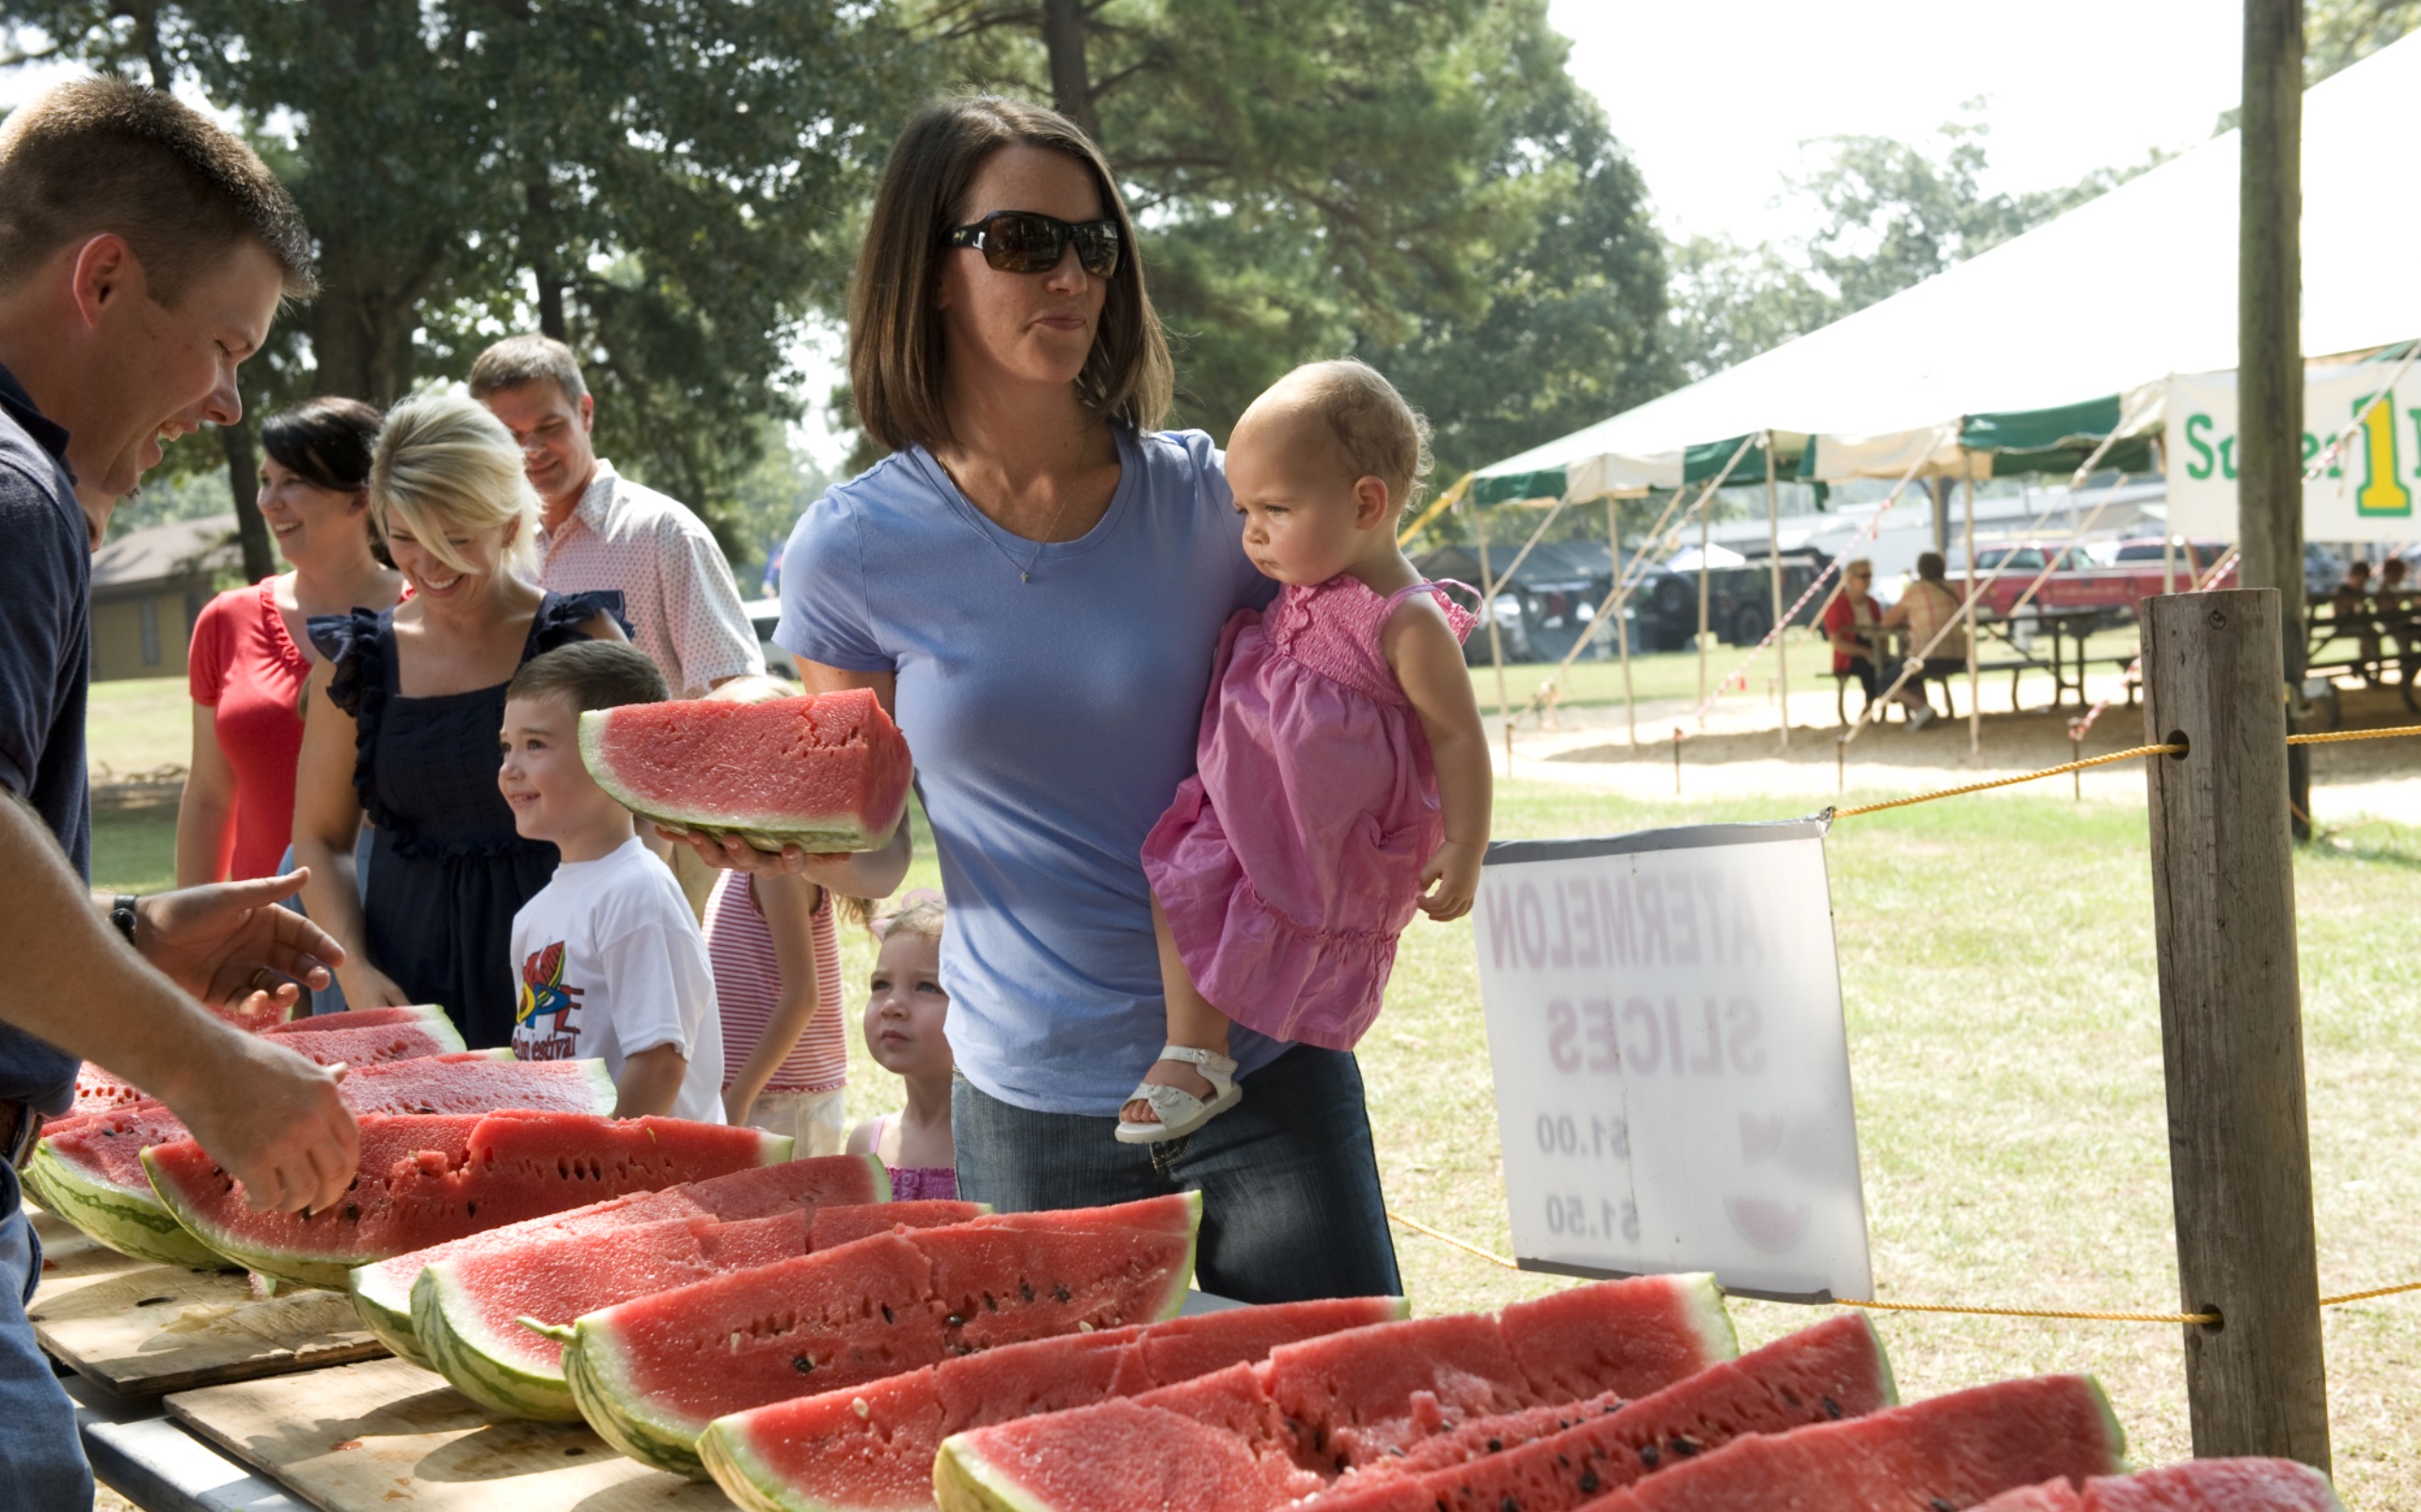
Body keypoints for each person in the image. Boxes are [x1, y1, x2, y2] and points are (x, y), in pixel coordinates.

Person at [700, 95, 1400, 1304]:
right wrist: (780, 835)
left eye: (1094, 244)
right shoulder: (849, 552)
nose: (1070, 275)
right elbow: (873, 858)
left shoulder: (1211, 502)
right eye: (1024, 243)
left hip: (1263, 1069)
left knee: (1359, 1450)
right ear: (928, 270)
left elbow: (1374, 642)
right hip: (1033, 1105)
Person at [0, 77, 358, 1507]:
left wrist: (130, 932)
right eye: (222, 344)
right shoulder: (17, 493)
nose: (226, 401)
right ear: (102, 279)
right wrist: (213, 1074)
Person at [1121, 361, 1485, 1142]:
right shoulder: (1311, 574)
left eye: (1275, 508)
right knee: (1181, 878)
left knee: (1254, 916)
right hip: (1257, 800)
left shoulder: (1407, 620)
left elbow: (1458, 733)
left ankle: (1206, 1051)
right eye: (1244, 508)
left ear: (1365, 503)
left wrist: (1465, 843)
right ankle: (1197, 1049)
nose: (1251, 531)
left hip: (1317, 825)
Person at [291, 391, 626, 1049]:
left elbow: (647, 829)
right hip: (401, 978)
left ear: (505, 520)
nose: (428, 565)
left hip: (569, 976)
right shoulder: (356, 660)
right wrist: (353, 971)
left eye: (454, 538)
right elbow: (321, 839)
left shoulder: (583, 639)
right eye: (405, 537)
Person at [178, 398, 404, 888]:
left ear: (360, 497)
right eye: (265, 481)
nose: (267, 501)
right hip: (263, 941)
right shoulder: (223, 621)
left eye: (292, 481)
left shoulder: (430, 611)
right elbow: (209, 797)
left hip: (405, 937)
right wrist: (193, 930)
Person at [499, 641, 725, 1121]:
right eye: (507, 745)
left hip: (652, 1182)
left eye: (535, 744)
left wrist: (597, 1168)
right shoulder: (531, 916)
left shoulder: (636, 892)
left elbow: (660, 1064)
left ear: (617, 761)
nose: (509, 768)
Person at [469, 334, 763, 700]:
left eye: (549, 427)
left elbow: (742, 693)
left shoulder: (666, 534)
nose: (531, 450)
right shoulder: (486, 549)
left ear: (586, 412)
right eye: (510, 435)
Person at [699, 678, 851, 1148]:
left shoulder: (777, 868)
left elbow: (803, 995)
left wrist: (740, 1095)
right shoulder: (744, 860)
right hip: (762, 1091)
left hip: (783, 1099)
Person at [845, 892, 955, 1200]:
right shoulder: (866, 1143)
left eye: (926, 987)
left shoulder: (1003, 1151)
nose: (892, 1005)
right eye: (881, 985)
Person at [1879, 550, 1966, 731]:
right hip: (1959, 655)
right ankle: (1922, 712)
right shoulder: (1952, 588)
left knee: (1885, 680)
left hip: (1929, 655)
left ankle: (1921, 708)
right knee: (1908, 669)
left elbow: (1888, 622)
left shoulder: (1916, 591)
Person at [1822, 558, 1896, 715]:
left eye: (1869, 576)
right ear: (1849, 579)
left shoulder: (1872, 603)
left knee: (1896, 663)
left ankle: (1905, 700)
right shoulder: (1836, 605)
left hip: (1873, 648)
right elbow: (1837, 641)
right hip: (1851, 655)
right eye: (1863, 576)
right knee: (1868, 665)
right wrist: (1865, 652)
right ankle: (1870, 704)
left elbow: (1882, 633)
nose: (1867, 580)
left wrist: (1882, 650)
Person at [2330, 558, 2379, 681]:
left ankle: (2361, 665)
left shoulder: (2361, 591)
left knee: (2371, 636)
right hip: (2345, 626)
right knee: (2369, 635)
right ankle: (2361, 666)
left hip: (2360, 626)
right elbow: (2338, 611)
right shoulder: (2343, 590)